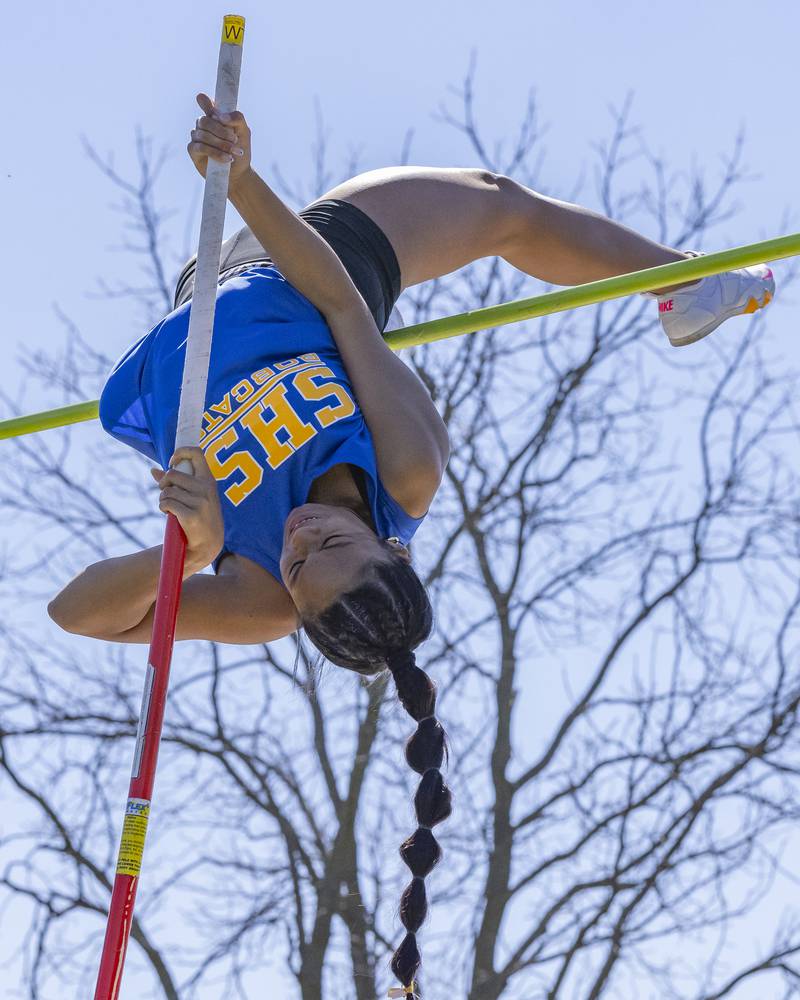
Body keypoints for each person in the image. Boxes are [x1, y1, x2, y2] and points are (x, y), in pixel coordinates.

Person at [47, 93, 775, 995]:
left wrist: (191, 552)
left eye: (298, 566)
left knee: (496, 208)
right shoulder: (406, 475)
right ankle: (679, 282)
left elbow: (78, 614)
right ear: (394, 550)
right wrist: (241, 180)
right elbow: (347, 311)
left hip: (197, 318)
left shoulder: (260, 598)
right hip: (304, 277)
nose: (302, 540)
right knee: (498, 204)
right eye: (333, 546)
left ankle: (674, 282)